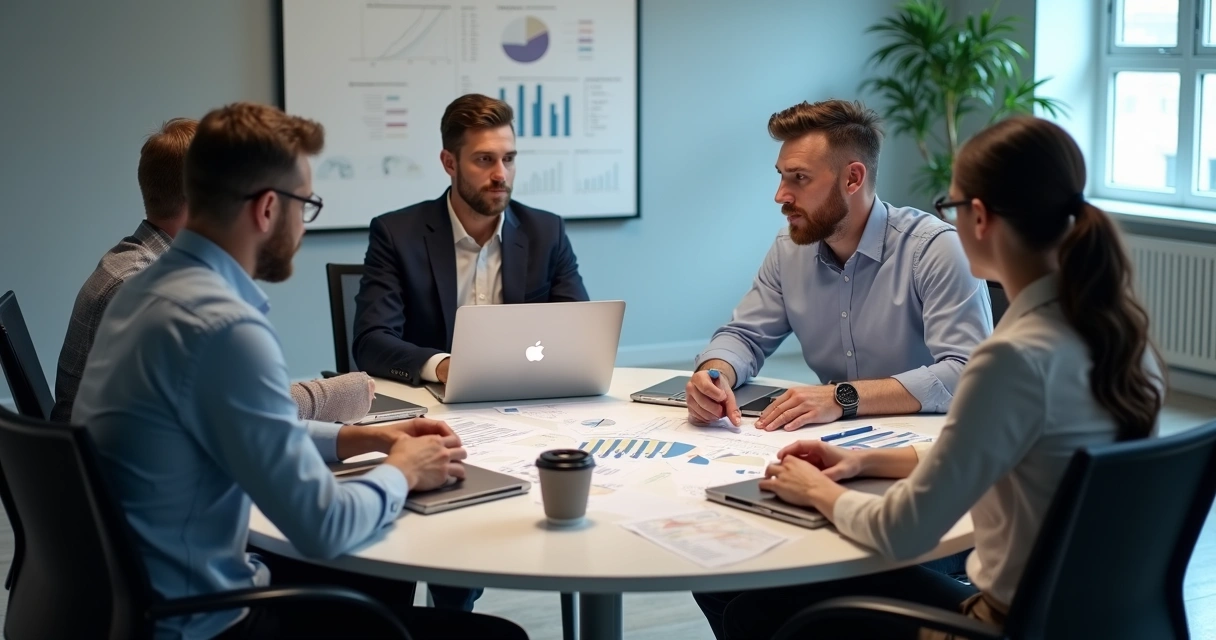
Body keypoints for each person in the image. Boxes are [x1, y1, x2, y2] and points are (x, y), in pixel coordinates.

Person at [697, 116, 1165, 640]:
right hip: (1092, 618)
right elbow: (1010, 446)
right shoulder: (1122, 336)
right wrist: (867, 460)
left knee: (759, 608)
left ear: (980, 218)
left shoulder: (1011, 359)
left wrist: (815, 490)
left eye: (953, 206)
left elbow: (902, 531)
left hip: (998, 626)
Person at [73, 102, 526, 640]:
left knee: (383, 582)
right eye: (306, 204)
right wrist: (403, 469)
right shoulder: (223, 327)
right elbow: (322, 527)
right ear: (267, 209)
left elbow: (256, 427)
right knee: (499, 637)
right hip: (206, 622)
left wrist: (362, 438)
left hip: (135, 598)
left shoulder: (147, 288)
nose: (305, 225)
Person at [685, 100, 991, 432]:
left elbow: (968, 373)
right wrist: (715, 375)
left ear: (852, 179)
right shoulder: (788, 251)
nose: (780, 195)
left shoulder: (935, 249)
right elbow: (744, 337)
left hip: (929, 442)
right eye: (782, 177)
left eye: (799, 177)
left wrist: (841, 398)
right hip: (836, 437)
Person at [51, 117, 373, 425]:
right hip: (107, 475)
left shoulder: (141, 264)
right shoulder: (148, 291)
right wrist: (343, 393)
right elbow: (242, 410)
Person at [354, 93, 589, 389]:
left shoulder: (546, 231)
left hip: (528, 398)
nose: (500, 175)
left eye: (509, 159)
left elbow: (580, 332)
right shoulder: (397, 234)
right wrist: (443, 367)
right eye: (484, 160)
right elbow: (371, 342)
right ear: (449, 163)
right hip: (433, 406)